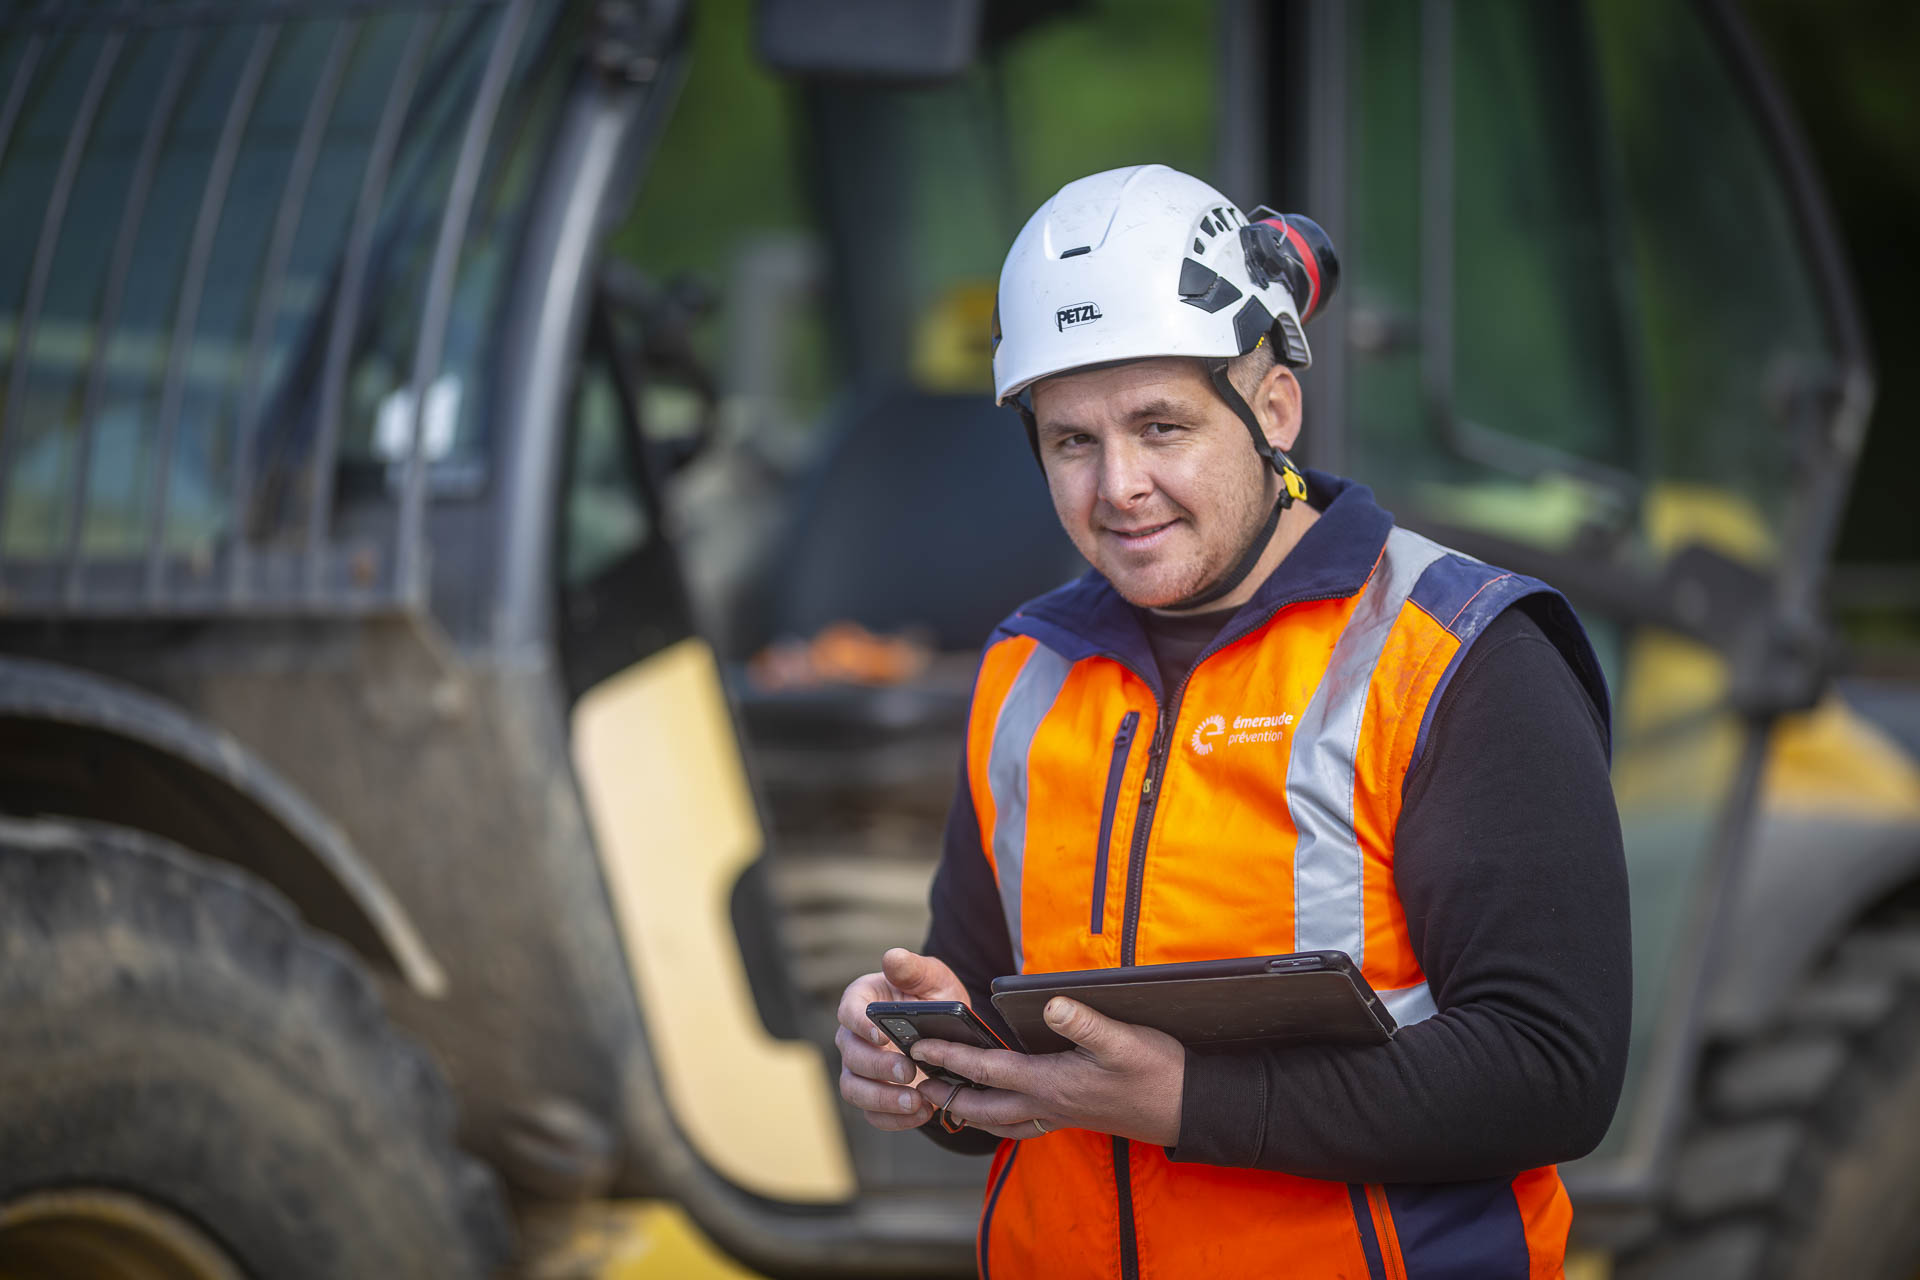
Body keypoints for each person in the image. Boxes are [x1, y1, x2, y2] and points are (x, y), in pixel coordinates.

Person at [834, 164, 1630, 1279]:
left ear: (1272, 408)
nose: (1120, 486)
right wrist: (917, 1063)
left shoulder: (1457, 654)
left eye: (1161, 425)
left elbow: (1554, 1068)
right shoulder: (1024, 671)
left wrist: (1187, 1102)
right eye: (1073, 440)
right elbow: (998, 1046)